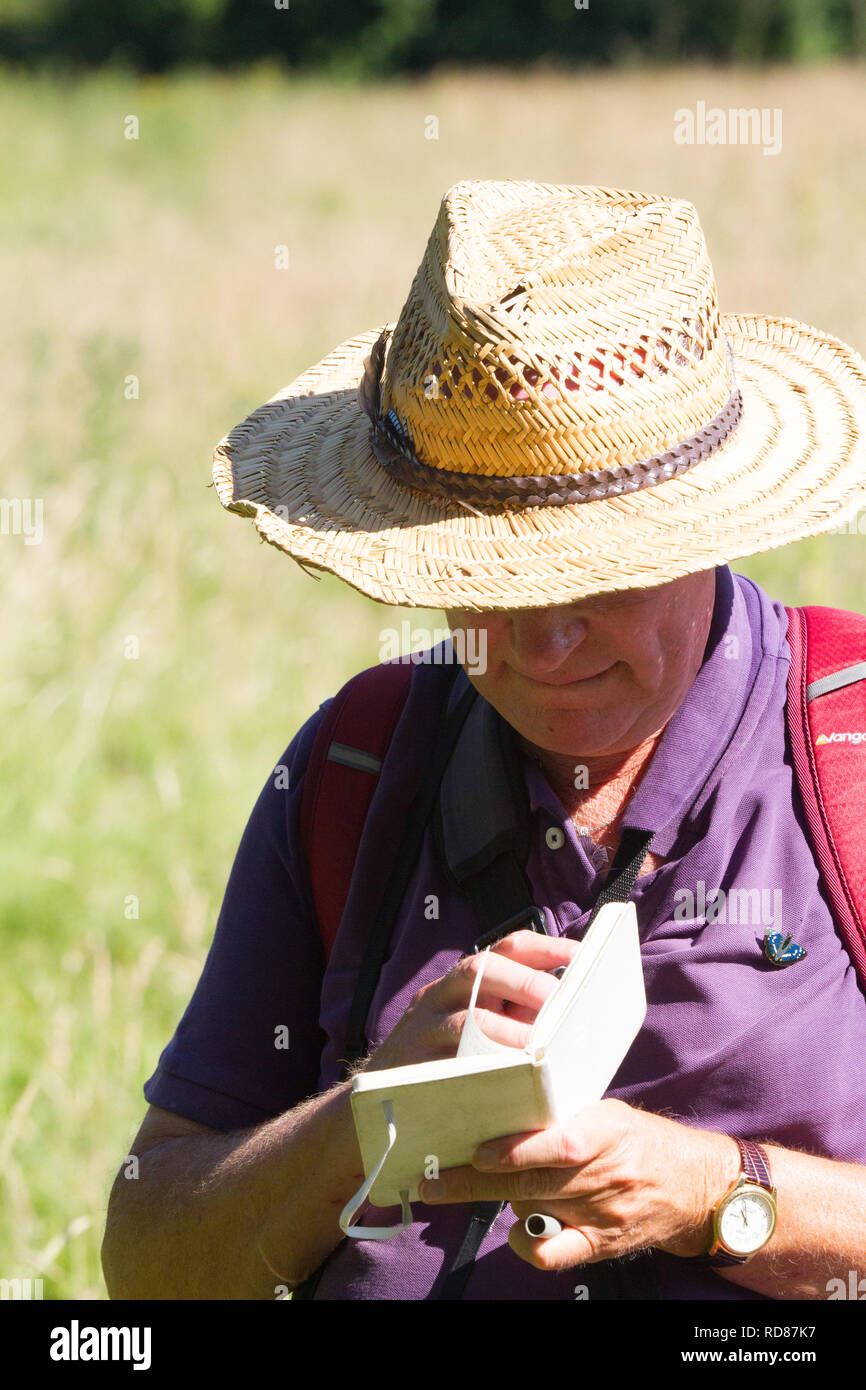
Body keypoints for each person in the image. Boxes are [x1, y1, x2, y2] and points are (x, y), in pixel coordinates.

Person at [101, 181, 866, 1301]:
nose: (544, 643)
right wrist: (370, 1117)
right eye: (485, 580)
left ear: (710, 523)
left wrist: (718, 1195)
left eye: (602, 575)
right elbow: (152, 1268)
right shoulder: (353, 765)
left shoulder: (838, 747)